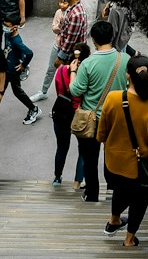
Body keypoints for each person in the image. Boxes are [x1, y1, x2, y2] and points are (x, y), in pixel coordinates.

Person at [98, 55, 148, 247]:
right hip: (141, 166)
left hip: (114, 163)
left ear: (127, 75)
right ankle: (129, 239)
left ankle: (114, 221)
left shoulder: (113, 98)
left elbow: (101, 134)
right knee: (140, 201)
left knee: (120, 191)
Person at [68, 19, 128, 203]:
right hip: (116, 118)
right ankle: (112, 192)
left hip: (91, 119)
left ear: (93, 39)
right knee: (112, 155)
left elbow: (76, 90)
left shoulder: (87, 64)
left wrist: (72, 72)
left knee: (89, 158)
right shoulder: (124, 60)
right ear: (112, 37)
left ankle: (92, 194)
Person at [33, 0, 88, 103]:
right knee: (51, 70)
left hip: (69, 53)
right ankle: (43, 92)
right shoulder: (72, 8)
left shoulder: (76, 14)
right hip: (60, 45)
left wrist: (61, 56)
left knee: (67, 79)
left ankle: (64, 106)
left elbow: (71, 39)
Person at [51, 41, 89, 189]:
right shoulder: (85, 73)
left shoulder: (60, 70)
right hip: (79, 114)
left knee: (62, 147)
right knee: (83, 148)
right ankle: (78, 181)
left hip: (61, 112)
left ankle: (57, 177)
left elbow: (58, 91)